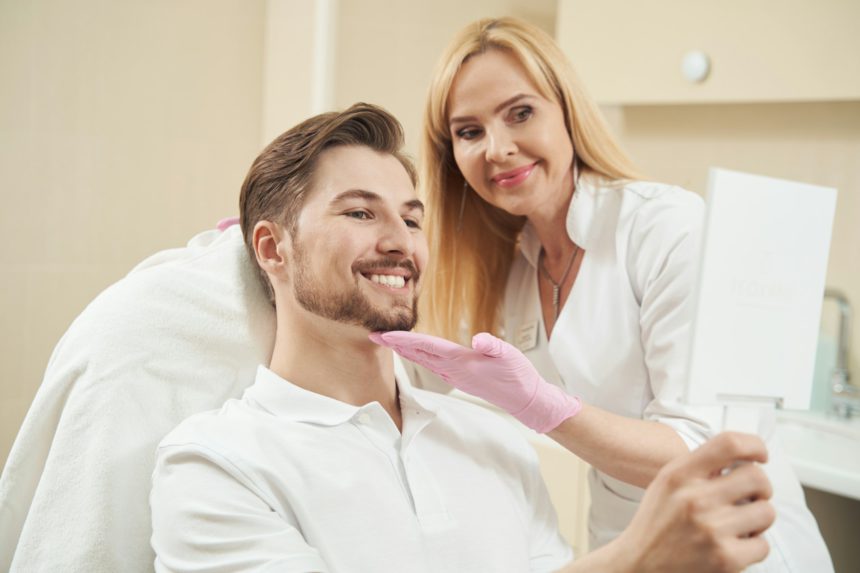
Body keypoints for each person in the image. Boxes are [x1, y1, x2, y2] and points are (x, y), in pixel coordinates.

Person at [149, 103, 776, 573]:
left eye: (412, 218)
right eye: (360, 212)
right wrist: (632, 560)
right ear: (271, 247)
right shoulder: (217, 464)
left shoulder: (490, 434)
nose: (400, 240)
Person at [405, 16, 832, 570]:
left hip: (744, 548)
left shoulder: (666, 228)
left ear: (567, 111)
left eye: (521, 113)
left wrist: (540, 406)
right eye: (469, 132)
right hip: (624, 548)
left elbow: (699, 450)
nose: (499, 148)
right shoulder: (512, 269)